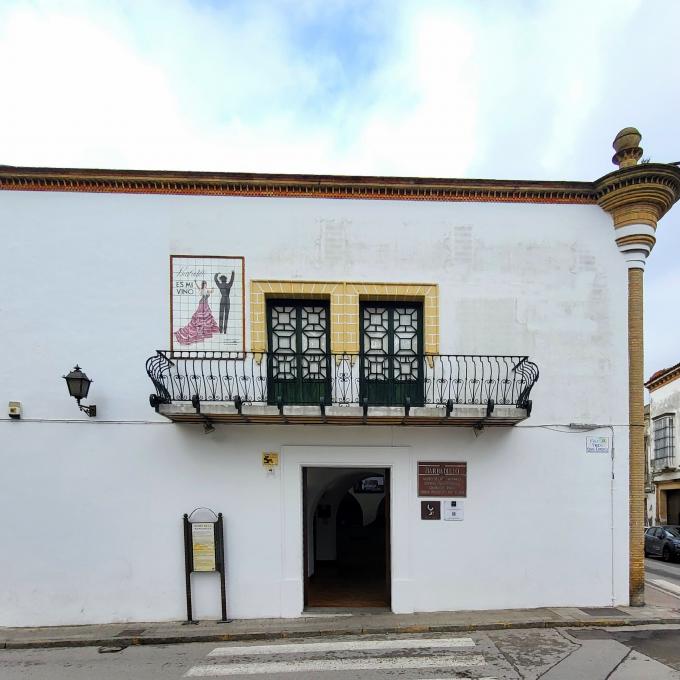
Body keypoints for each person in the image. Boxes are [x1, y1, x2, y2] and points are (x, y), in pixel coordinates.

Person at [174, 280, 219, 345]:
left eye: (206, 284)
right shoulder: (204, 290)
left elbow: (209, 291)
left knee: (205, 316)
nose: (206, 285)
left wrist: (212, 289)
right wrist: (212, 289)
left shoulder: (205, 290)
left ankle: (204, 328)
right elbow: (207, 291)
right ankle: (201, 329)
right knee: (202, 316)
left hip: (204, 303)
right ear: (203, 285)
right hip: (203, 303)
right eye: (205, 284)